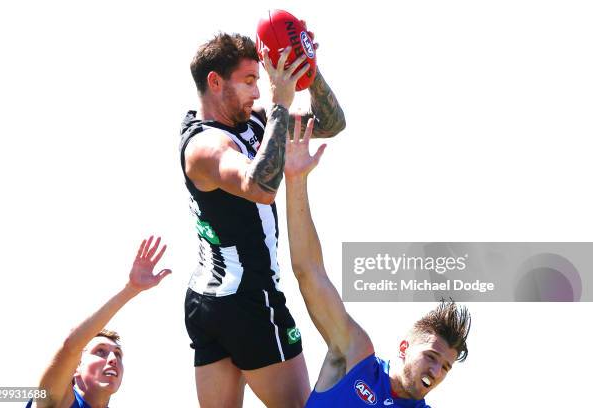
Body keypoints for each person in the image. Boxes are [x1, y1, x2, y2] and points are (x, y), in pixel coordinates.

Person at [179, 31, 345, 408]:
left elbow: (332, 124)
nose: (259, 92)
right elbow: (260, 186)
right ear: (215, 82)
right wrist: (282, 105)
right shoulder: (204, 146)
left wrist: (309, 69)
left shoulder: (255, 123)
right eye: (249, 81)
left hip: (210, 301)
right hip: (250, 300)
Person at [284, 116, 472, 407]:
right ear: (405, 347)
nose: (435, 372)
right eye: (431, 357)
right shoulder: (355, 356)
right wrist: (296, 179)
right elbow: (309, 273)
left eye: (445, 368)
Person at [27, 236, 171, 408]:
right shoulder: (55, 401)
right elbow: (70, 347)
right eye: (100, 352)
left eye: (118, 354)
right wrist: (131, 290)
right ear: (75, 368)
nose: (113, 359)